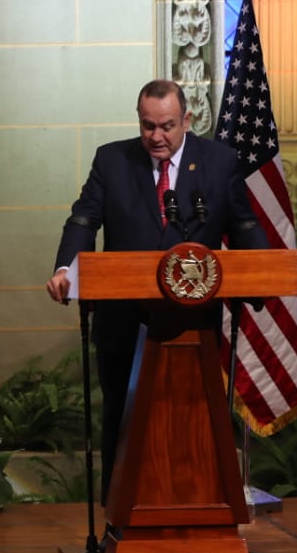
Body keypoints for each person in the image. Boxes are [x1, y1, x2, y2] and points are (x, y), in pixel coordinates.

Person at [45, 79, 267, 504]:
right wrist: (64, 268)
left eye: (166, 126)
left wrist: (259, 273)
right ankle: (118, 516)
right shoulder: (112, 160)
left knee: (195, 421)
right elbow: (83, 219)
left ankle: (199, 510)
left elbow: (243, 225)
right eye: (147, 126)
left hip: (194, 323)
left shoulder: (219, 162)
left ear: (187, 119)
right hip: (124, 321)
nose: (156, 137)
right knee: (122, 419)